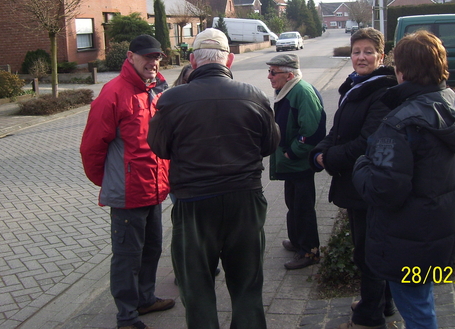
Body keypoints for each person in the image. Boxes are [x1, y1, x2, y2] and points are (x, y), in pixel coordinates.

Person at [147, 28, 280, 329]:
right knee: (247, 285)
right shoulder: (255, 96)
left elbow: (159, 147)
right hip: (244, 199)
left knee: (197, 288)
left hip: (194, 202)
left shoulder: (171, 99)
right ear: (229, 60)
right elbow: (270, 145)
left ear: (193, 61)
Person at [352, 31, 455, 329]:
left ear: (401, 71)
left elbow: (384, 190)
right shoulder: (452, 103)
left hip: (409, 241)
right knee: (421, 299)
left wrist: (361, 165)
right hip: (438, 232)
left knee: (417, 312)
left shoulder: (400, 122)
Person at [80, 35, 175, 329]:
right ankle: (126, 316)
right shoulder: (113, 93)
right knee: (126, 257)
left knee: (152, 249)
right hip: (128, 195)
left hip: (155, 190)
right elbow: (91, 147)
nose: (153, 62)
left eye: (157, 56)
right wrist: (112, 181)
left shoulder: (156, 90)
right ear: (131, 57)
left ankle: (145, 299)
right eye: (147, 56)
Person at [309, 28, 398, 329]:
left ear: (381, 55)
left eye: (368, 51)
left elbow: (367, 141)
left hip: (369, 182)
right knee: (367, 246)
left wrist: (329, 158)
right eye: (356, 51)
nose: (361, 57)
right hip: (354, 181)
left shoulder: (383, 90)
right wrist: (320, 151)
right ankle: (382, 302)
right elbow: (338, 131)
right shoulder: (355, 85)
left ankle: (369, 317)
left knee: (368, 251)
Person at [266, 53, 326, 270]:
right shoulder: (288, 90)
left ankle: (310, 251)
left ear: (289, 74)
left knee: (303, 207)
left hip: (299, 164)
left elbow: (312, 131)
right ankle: (297, 241)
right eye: (270, 71)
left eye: (274, 72)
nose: (269, 76)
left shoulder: (302, 92)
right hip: (291, 163)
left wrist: (292, 152)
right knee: (293, 204)